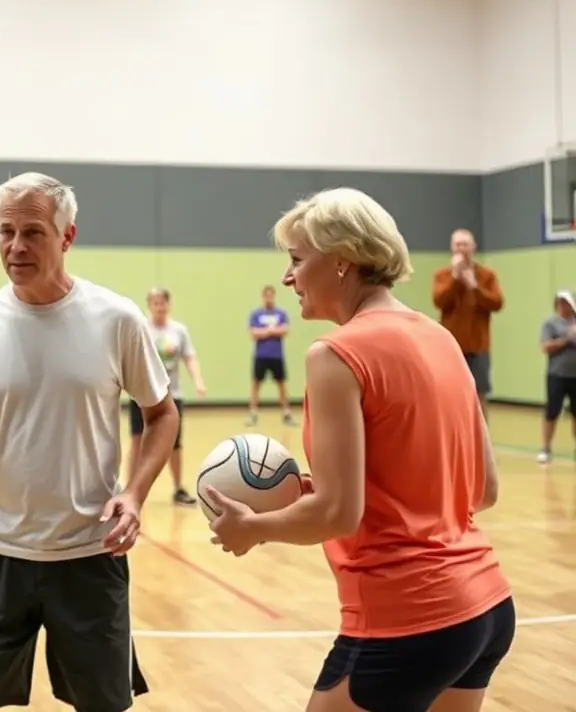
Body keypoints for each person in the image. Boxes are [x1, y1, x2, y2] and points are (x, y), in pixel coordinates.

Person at [207, 188, 513, 712]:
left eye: (297, 260)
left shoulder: (335, 354)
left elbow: (336, 513)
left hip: (406, 619)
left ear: (342, 262)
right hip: (485, 609)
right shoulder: (440, 337)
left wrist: (252, 528)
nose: (288, 278)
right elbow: (483, 489)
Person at [0, 171, 180, 712]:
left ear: (67, 236)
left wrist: (134, 494)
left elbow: (161, 414)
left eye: (32, 231)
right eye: (6, 231)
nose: (16, 246)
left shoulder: (116, 318)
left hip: (89, 553)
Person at [126, 286, 205, 506]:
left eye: (163, 302)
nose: (159, 307)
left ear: (168, 305)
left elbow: (190, 357)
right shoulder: (142, 328)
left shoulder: (178, 331)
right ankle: (129, 487)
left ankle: (178, 488)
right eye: (155, 303)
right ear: (149, 305)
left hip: (171, 395)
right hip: (141, 395)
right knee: (137, 440)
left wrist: (198, 381)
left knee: (174, 444)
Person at [433, 229, 504, 416]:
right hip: (451, 347)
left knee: (479, 394)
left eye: (465, 244)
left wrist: (475, 287)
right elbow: (439, 301)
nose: (461, 248)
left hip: (478, 347)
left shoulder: (487, 275)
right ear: (451, 248)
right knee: (450, 393)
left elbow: (497, 302)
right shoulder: (443, 275)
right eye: (457, 244)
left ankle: (481, 441)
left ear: (473, 247)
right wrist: (455, 279)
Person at [246, 285, 294, 427]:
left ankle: (286, 414)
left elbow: (284, 330)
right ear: (263, 297)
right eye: (266, 296)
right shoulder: (256, 314)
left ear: (273, 296)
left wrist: (265, 332)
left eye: (271, 295)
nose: (269, 298)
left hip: (277, 356)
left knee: (281, 384)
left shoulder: (281, 314)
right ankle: (253, 413)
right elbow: (254, 333)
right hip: (261, 355)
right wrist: (272, 331)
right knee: (256, 384)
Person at [537, 289, 576, 464]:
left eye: (566, 302)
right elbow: (545, 347)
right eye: (560, 302)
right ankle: (546, 448)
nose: (563, 305)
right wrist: (566, 339)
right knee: (552, 412)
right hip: (557, 375)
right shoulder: (550, 324)